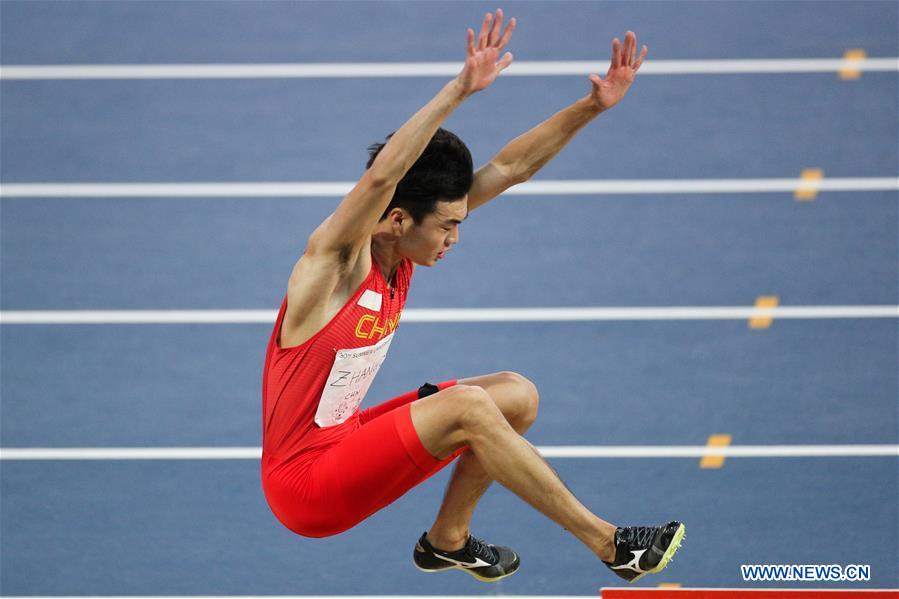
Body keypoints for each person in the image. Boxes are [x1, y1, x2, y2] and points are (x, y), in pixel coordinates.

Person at [261, 8, 684, 584]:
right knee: (468, 408)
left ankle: (446, 541)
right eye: (447, 226)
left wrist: (591, 107)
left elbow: (511, 166)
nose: (455, 239)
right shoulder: (333, 265)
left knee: (515, 395)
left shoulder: (406, 245)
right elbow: (382, 179)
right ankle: (611, 545)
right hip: (306, 485)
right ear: (397, 219)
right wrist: (460, 89)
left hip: (347, 438)